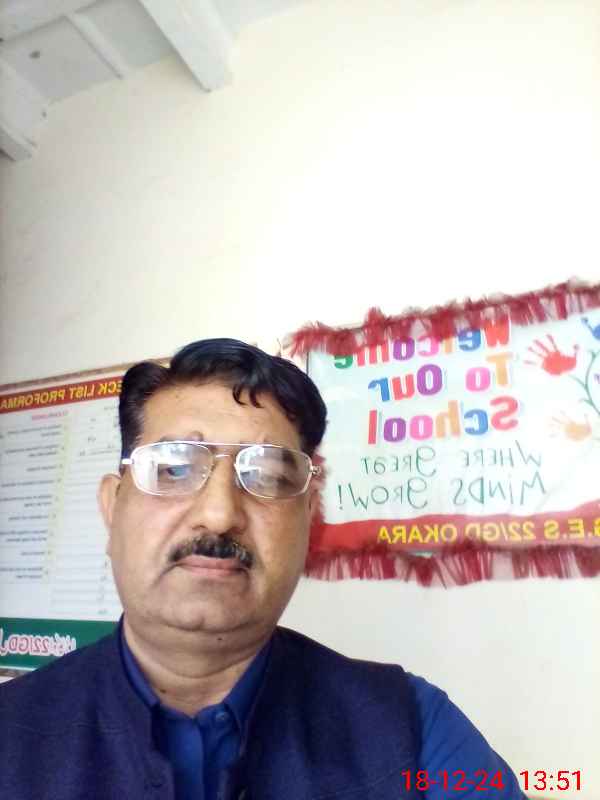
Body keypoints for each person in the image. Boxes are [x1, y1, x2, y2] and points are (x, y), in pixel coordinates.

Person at [0, 338, 526, 800]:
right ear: (113, 506)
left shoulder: (413, 729)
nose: (219, 514)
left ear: (309, 519)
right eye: (175, 468)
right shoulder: (12, 731)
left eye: (269, 475)